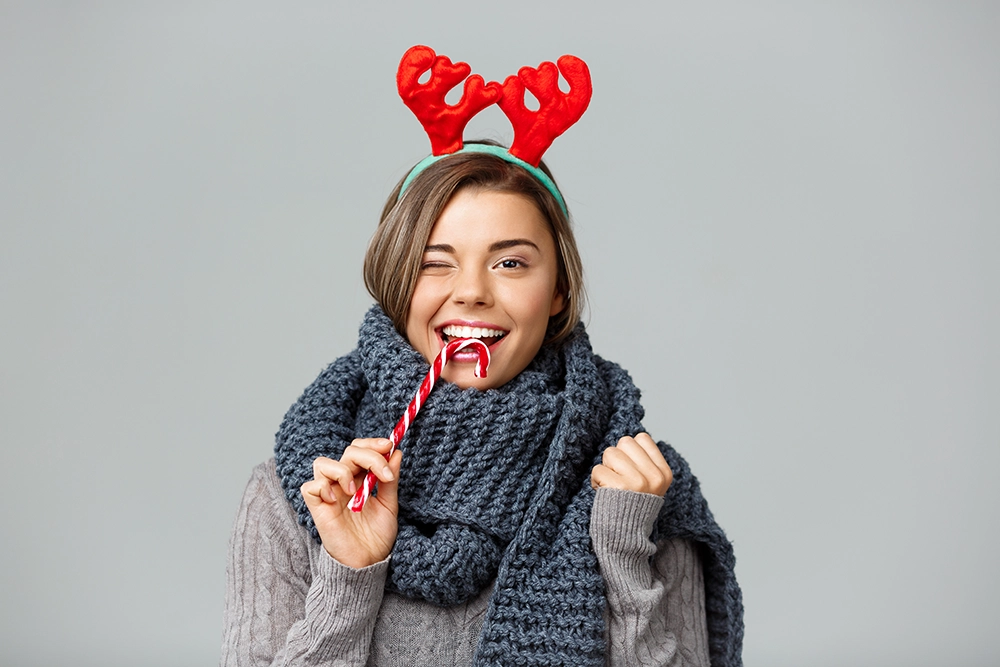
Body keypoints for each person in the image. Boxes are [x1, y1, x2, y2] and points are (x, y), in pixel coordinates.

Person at [222, 47, 743, 667]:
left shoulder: (637, 488)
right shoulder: (305, 491)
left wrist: (625, 558)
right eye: (434, 263)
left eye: (511, 262)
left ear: (558, 294)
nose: (471, 290)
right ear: (397, 284)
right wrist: (349, 575)